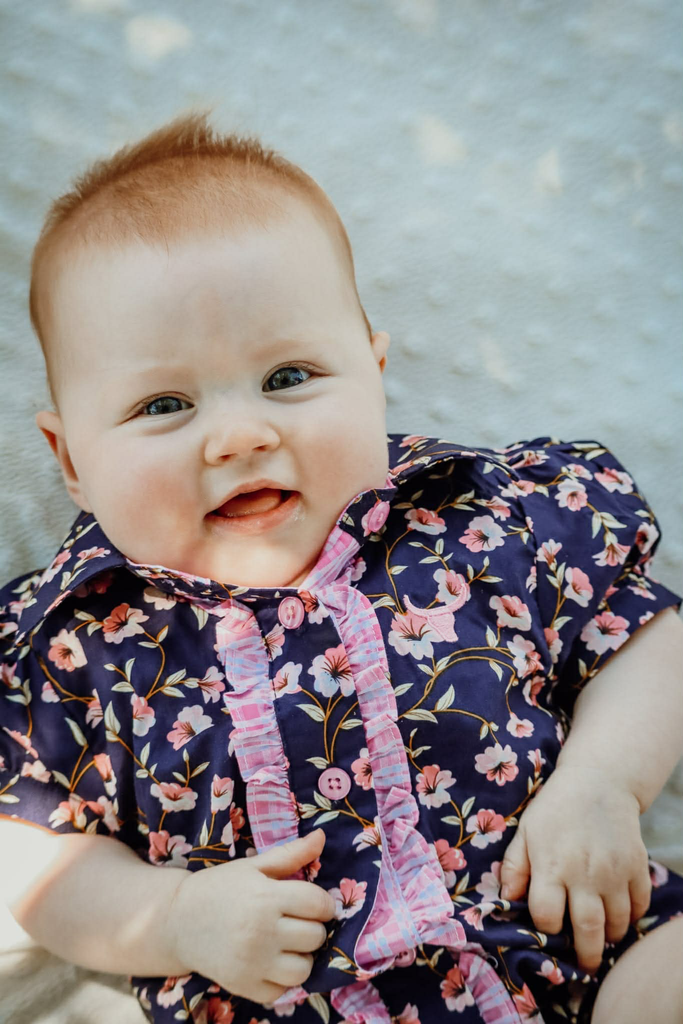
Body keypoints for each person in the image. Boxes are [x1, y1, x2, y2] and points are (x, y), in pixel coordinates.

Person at [0, 110, 681, 1024]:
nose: (242, 434)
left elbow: (637, 635)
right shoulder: (76, 640)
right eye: (164, 404)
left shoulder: (478, 520)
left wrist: (603, 784)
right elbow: (29, 849)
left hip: (582, 946)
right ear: (71, 458)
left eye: (288, 377)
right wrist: (167, 917)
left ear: (373, 371)